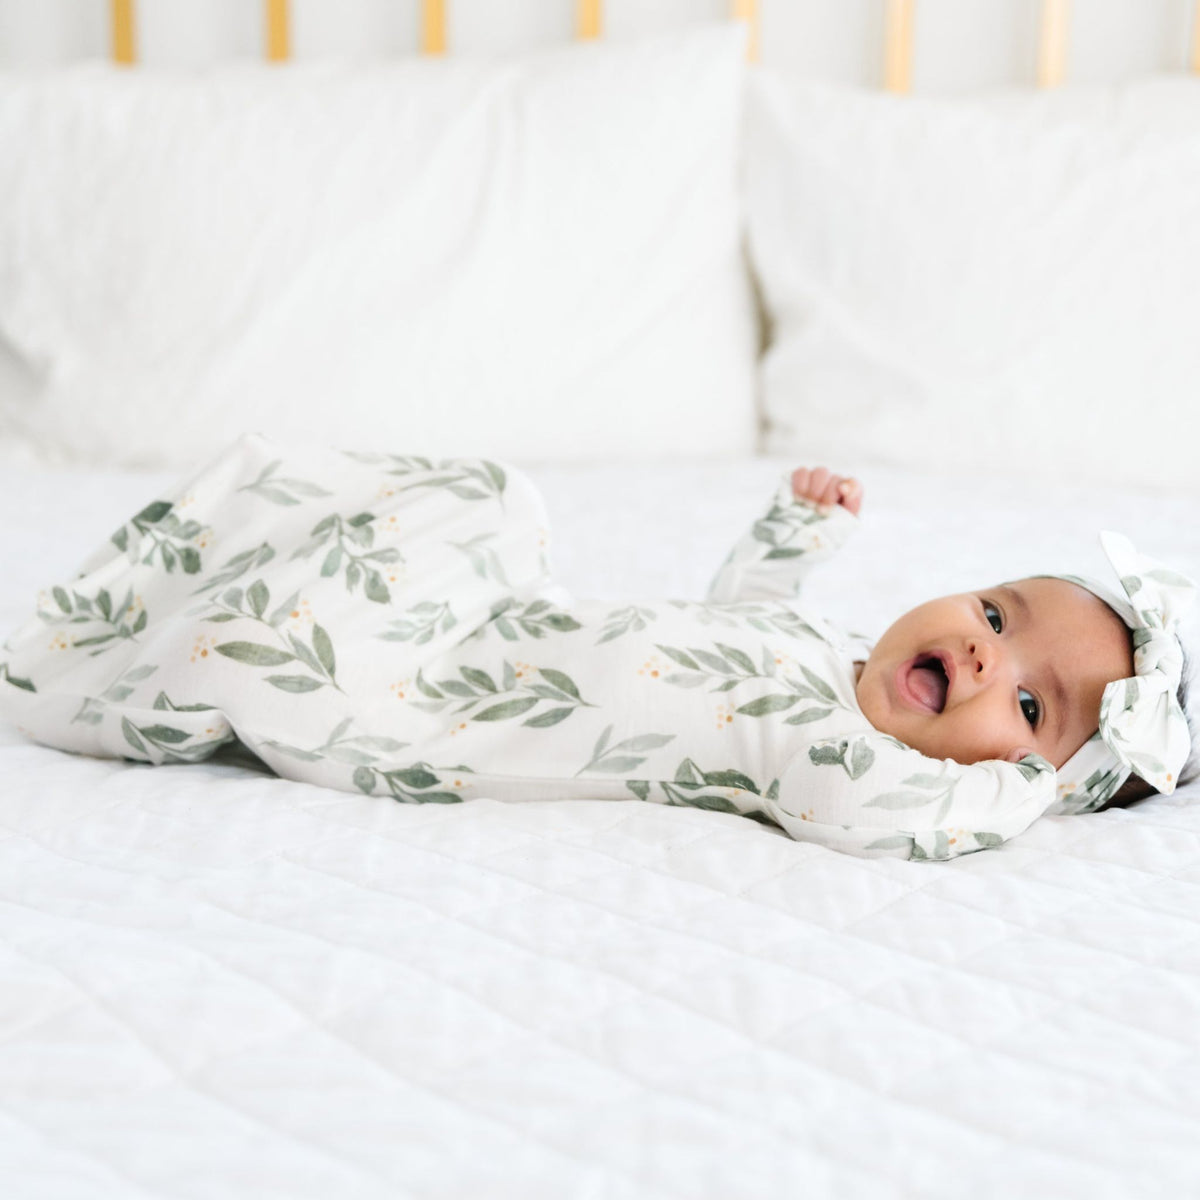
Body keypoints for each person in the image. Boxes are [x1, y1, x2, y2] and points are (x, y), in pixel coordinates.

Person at [0, 435, 1193, 861]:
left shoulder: (847, 768)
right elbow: (738, 613)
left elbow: (898, 819)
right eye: (995, 613)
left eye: (1032, 710)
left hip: (426, 706)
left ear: (1016, 779)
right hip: (497, 624)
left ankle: (88, 675)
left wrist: (1022, 797)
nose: (986, 658)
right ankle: (140, 591)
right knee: (488, 498)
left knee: (249, 653)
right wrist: (795, 534)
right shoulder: (833, 655)